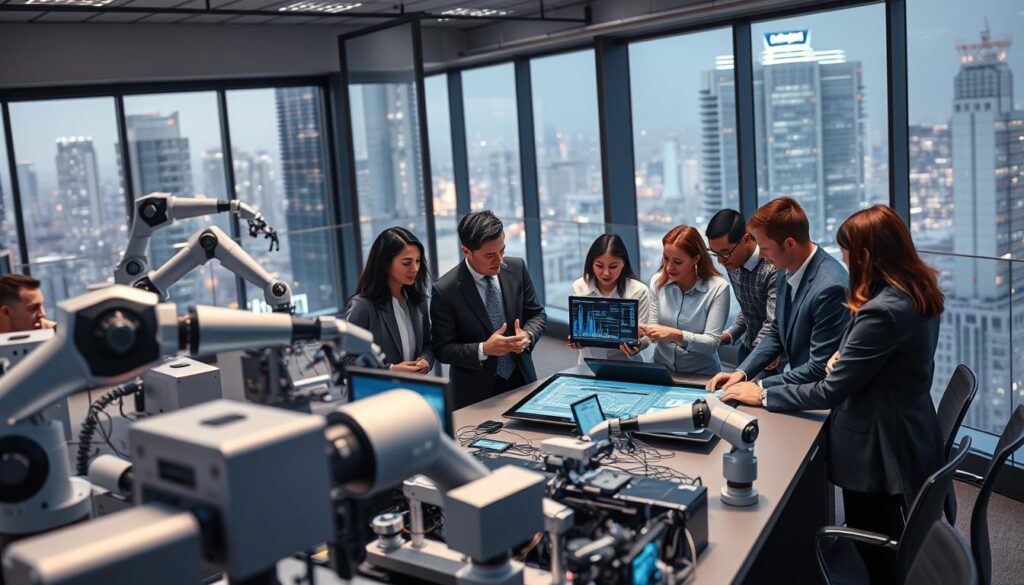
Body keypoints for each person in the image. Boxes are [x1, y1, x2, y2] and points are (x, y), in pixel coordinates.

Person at [717, 205, 946, 585]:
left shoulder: (882, 311)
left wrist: (764, 395)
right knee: (885, 537)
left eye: (848, 250)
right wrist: (843, 358)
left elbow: (832, 387)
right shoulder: (915, 290)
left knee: (876, 552)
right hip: (909, 429)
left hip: (879, 445)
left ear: (867, 255)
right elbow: (853, 360)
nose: (842, 258)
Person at [707, 197, 847, 391]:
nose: (762, 255)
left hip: (817, 393)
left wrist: (759, 385)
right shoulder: (785, 266)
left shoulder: (830, 287)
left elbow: (818, 367)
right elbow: (777, 329)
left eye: (764, 248)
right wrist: (741, 374)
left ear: (789, 244)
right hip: (796, 381)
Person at [430, 210, 547, 408]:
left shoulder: (517, 268)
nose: (499, 260)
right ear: (466, 251)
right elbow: (442, 349)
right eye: (490, 255)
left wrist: (528, 336)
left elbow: (537, 314)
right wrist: (483, 349)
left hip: (522, 380)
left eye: (502, 250)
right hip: (476, 394)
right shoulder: (445, 290)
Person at [644, 225, 730, 376]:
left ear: (696, 259)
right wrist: (639, 341)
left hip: (701, 376)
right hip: (662, 372)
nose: (669, 267)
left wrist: (674, 334)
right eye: (665, 258)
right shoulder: (657, 282)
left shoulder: (718, 288)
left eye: (677, 262)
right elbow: (654, 328)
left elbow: (711, 344)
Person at [345, 227, 434, 373]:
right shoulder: (363, 306)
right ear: (386, 265)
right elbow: (347, 360)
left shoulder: (417, 299)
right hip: (380, 393)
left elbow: (428, 343)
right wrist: (390, 370)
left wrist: (426, 360)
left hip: (414, 389)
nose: (415, 268)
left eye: (417, 261)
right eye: (407, 263)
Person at [705, 209, 778, 367]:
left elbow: (773, 322)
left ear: (745, 239)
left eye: (725, 253)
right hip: (747, 349)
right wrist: (731, 333)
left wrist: (753, 362)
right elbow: (749, 307)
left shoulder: (772, 266)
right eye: (715, 253)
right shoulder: (732, 261)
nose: (720, 261)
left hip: (772, 356)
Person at [568, 234, 653, 364]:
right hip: (589, 365)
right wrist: (576, 340)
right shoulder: (579, 287)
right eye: (599, 266)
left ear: (623, 263)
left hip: (628, 365)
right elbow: (578, 328)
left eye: (613, 266)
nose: (606, 273)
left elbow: (647, 335)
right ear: (591, 263)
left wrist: (638, 345)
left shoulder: (639, 291)